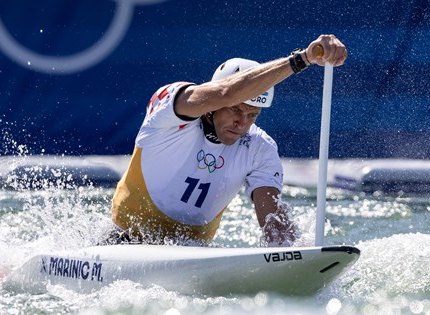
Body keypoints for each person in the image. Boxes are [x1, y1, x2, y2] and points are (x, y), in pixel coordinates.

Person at [106, 34, 348, 246]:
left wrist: (295, 257)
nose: (242, 122)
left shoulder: (260, 149)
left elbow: (273, 224)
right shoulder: (171, 111)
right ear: (212, 107)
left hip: (192, 252)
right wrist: (303, 58)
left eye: (252, 115)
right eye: (236, 110)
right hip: (122, 240)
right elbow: (227, 93)